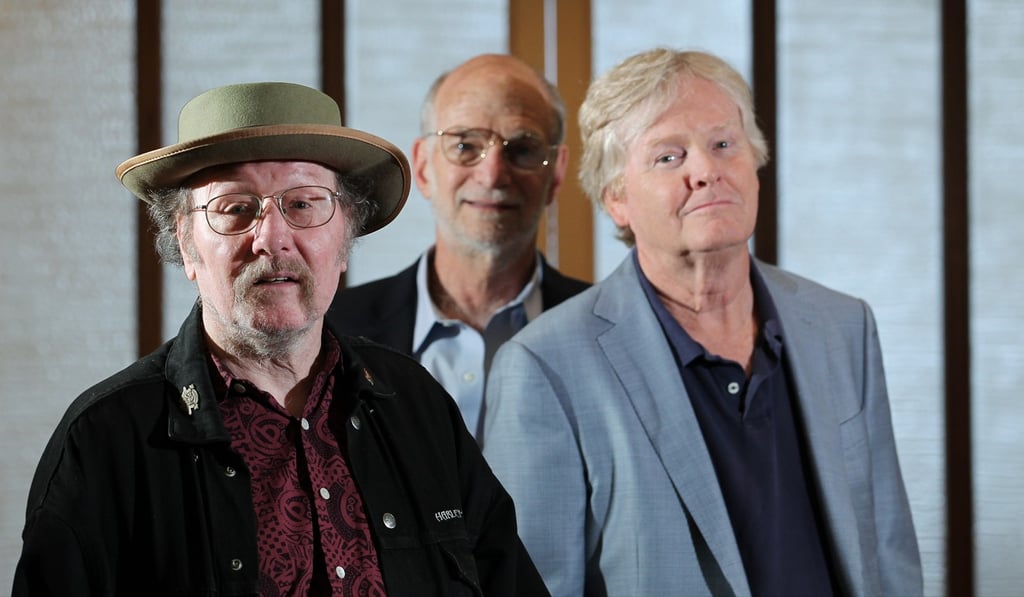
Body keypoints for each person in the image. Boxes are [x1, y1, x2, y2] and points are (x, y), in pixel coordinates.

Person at [13, 82, 548, 596]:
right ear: (186, 244)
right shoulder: (106, 439)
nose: (271, 239)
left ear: (345, 239)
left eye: (303, 205)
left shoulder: (415, 405)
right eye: (235, 209)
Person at [482, 48, 923, 597]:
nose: (705, 171)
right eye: (669, 157)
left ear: (754, 163)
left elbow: (889, 559)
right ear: (617, 198)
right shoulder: (545, 368)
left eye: (722, 145)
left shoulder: (843, 326)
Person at [327, 54, 589, 441]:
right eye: (466, 146)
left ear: (557, 172)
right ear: (423, 166)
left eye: (522, 149)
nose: (493, 173)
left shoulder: (607, 334)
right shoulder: (331, 332)